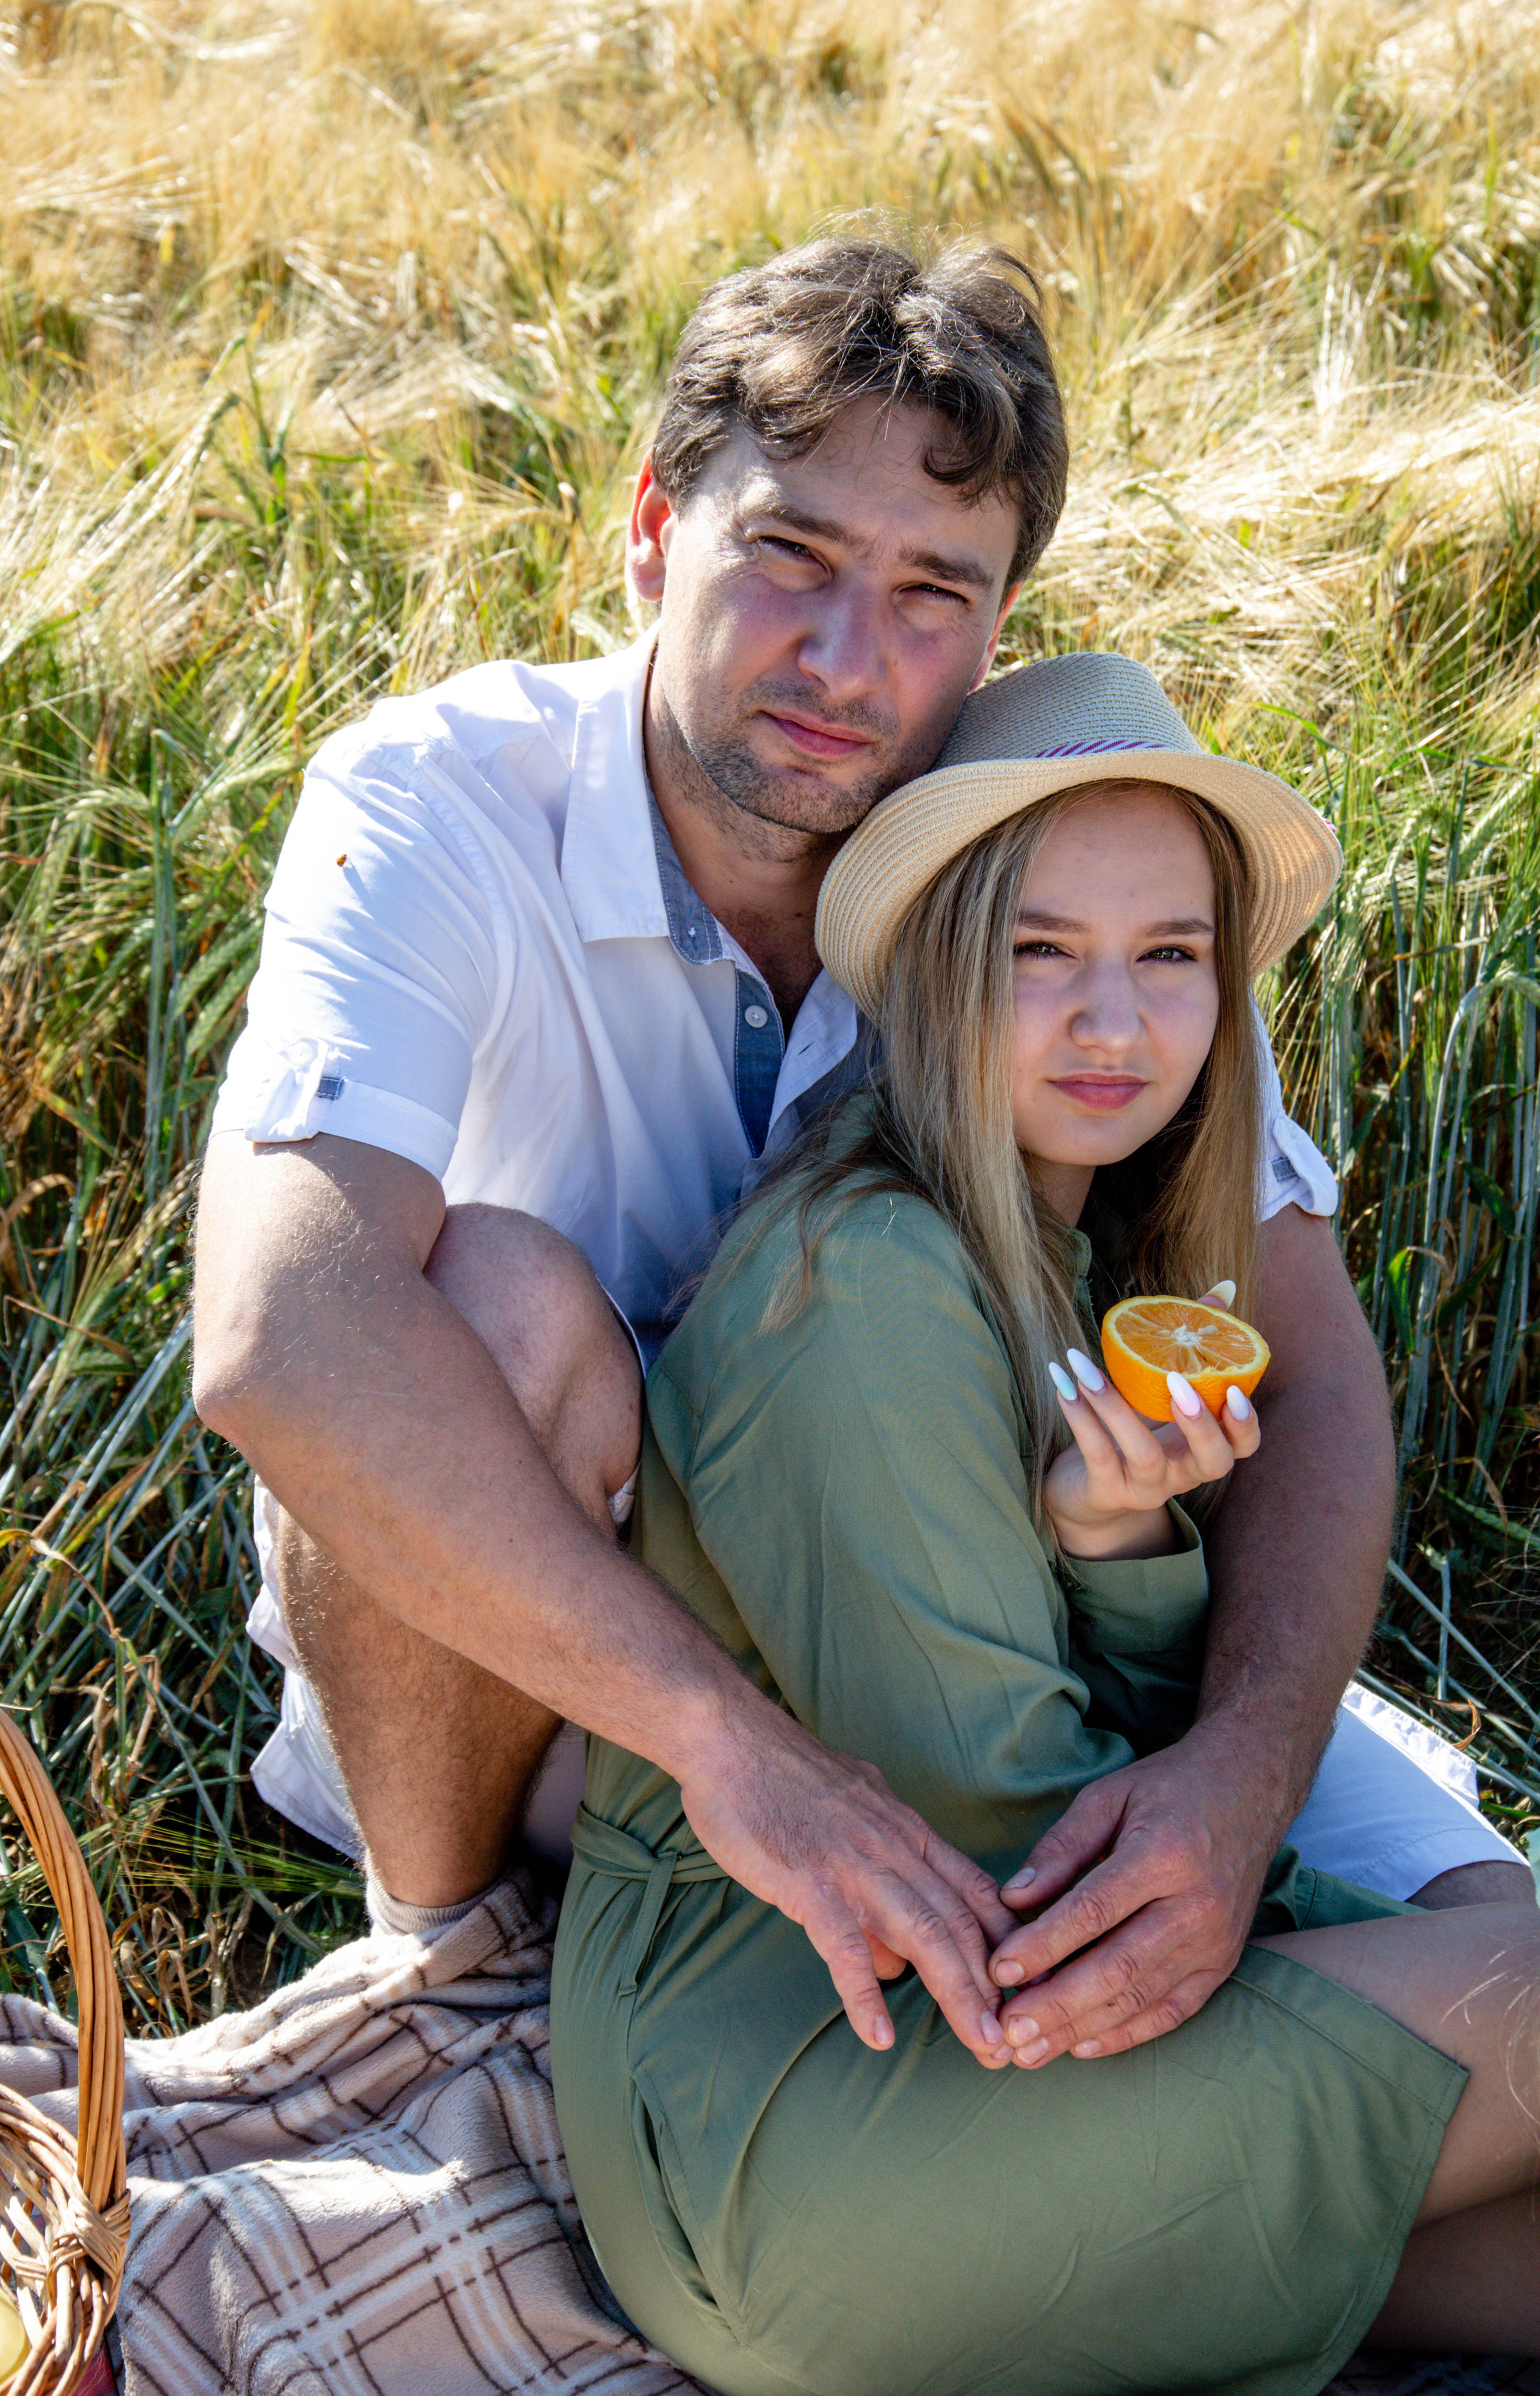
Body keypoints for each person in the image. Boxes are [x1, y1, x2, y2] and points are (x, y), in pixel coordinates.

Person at [191, 236, 1525, 2089]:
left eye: (929, 595)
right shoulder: (437, 801)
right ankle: (449, 1978)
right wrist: (738, 1749)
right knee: (495, 1300)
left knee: (1496, 1945)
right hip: (553, 1683)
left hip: (975, 1608)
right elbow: (283, 1337)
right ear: (652, 530)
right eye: (793, 556)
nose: (845, 660)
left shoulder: (1059, 864)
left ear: (999, 624)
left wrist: (1237, 1772)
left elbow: (1310, 1372)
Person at [550, 653, 1540, 2396]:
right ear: (938, 967)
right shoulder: (864, 1281)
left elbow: (1077, 1784)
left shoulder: (1051, 1254)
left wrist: (1113, 1546)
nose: (1114, 1023)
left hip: (968, 2062)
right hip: (808, 2117)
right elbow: (1021, 1840)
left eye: (1170, 956)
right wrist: (1359, 1929)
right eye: (1041, 952)